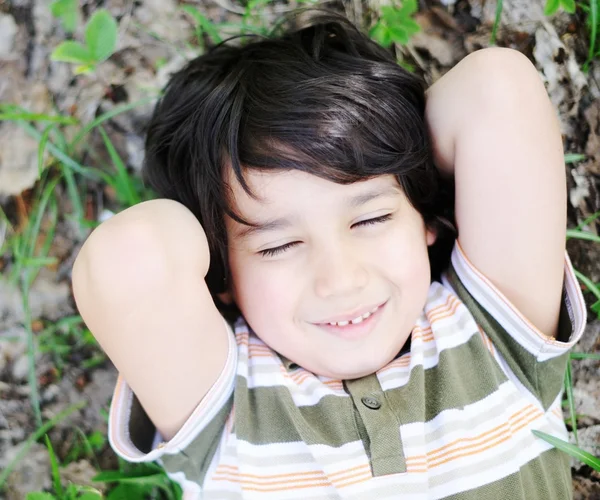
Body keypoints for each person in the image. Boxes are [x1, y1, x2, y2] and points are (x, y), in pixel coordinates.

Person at [71, 9, 587, 500]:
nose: (340, 280)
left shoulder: (495, 338)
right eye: (277, 244)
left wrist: (386, 150)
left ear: (423, 216)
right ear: (220, 268)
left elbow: (497, 90)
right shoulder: (225, 409)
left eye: (371, 218)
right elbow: (130, 258)